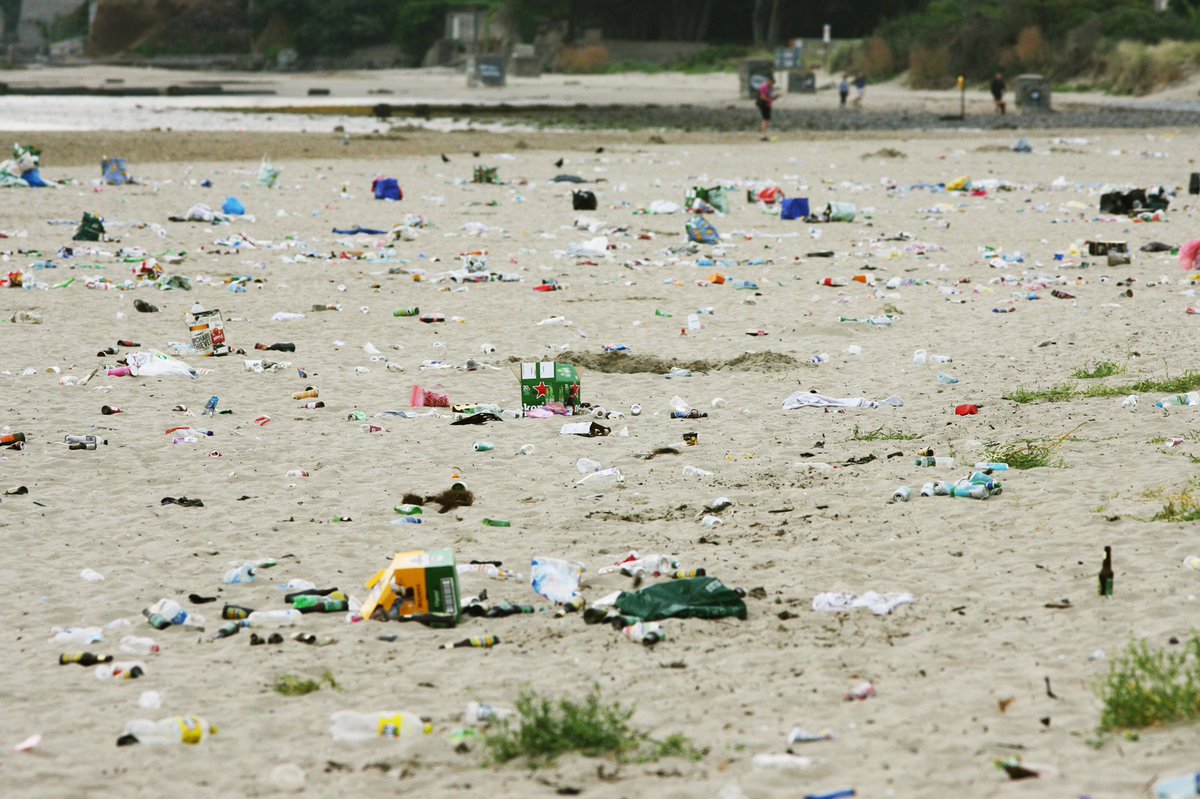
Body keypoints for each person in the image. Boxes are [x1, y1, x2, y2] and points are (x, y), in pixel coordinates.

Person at [756, 76, 778, 141]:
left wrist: (773, 97)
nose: (772, 85)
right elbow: (762, 97)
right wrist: (770, 99)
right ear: (769, 81)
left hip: (767, 104)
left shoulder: (769, 87)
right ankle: (763, 135)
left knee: (766, 120)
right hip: (764, 104)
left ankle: (764, 134)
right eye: (771, 83)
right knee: (765, 119)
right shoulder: (764, 87)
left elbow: (768, 96)